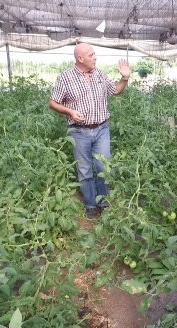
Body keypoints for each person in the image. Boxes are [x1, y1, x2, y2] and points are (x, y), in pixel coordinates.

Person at [49, 42, 130, 219]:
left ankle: (104, 203)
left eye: (94, 54)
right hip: (79, 132)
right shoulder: (66, 77)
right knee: (85, 170)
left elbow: (115, 91)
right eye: (91, 55)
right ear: (80, 58)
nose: (95, 57)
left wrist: (124, 78)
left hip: (102, 129)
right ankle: (91, 205)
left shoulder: (100, 74)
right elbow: (53, 102)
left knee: (103, 167)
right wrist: (70, 111)